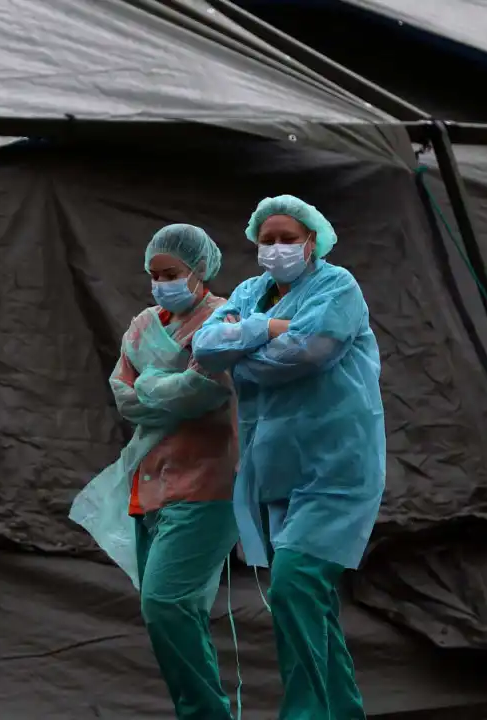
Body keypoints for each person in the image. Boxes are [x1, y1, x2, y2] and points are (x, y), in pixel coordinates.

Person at [192, 195, 385, 720]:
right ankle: (340, 712)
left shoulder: (337, 287)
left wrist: (244, 353)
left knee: (296, 581)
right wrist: (267, 328)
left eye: (288, 238)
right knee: (310, 604)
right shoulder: (252, 292)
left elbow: (306, 353)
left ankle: (304, 714)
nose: (276, 248)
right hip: (277, 467)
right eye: (267, 238)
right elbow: (206, 348)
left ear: (313, 241)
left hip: (337, 465)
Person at [70, 224, 240, 720]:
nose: (161, 282)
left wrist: (152, 384)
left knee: (166, 605)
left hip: (206, 484)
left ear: (201, 269)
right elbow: (123, 393)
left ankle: (206, 714)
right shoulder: (145, 323)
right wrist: (167, 385)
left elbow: (204, 391)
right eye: (155, 274)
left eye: (172, 273)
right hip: (150, 487)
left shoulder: (225, 318)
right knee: (170, 612)